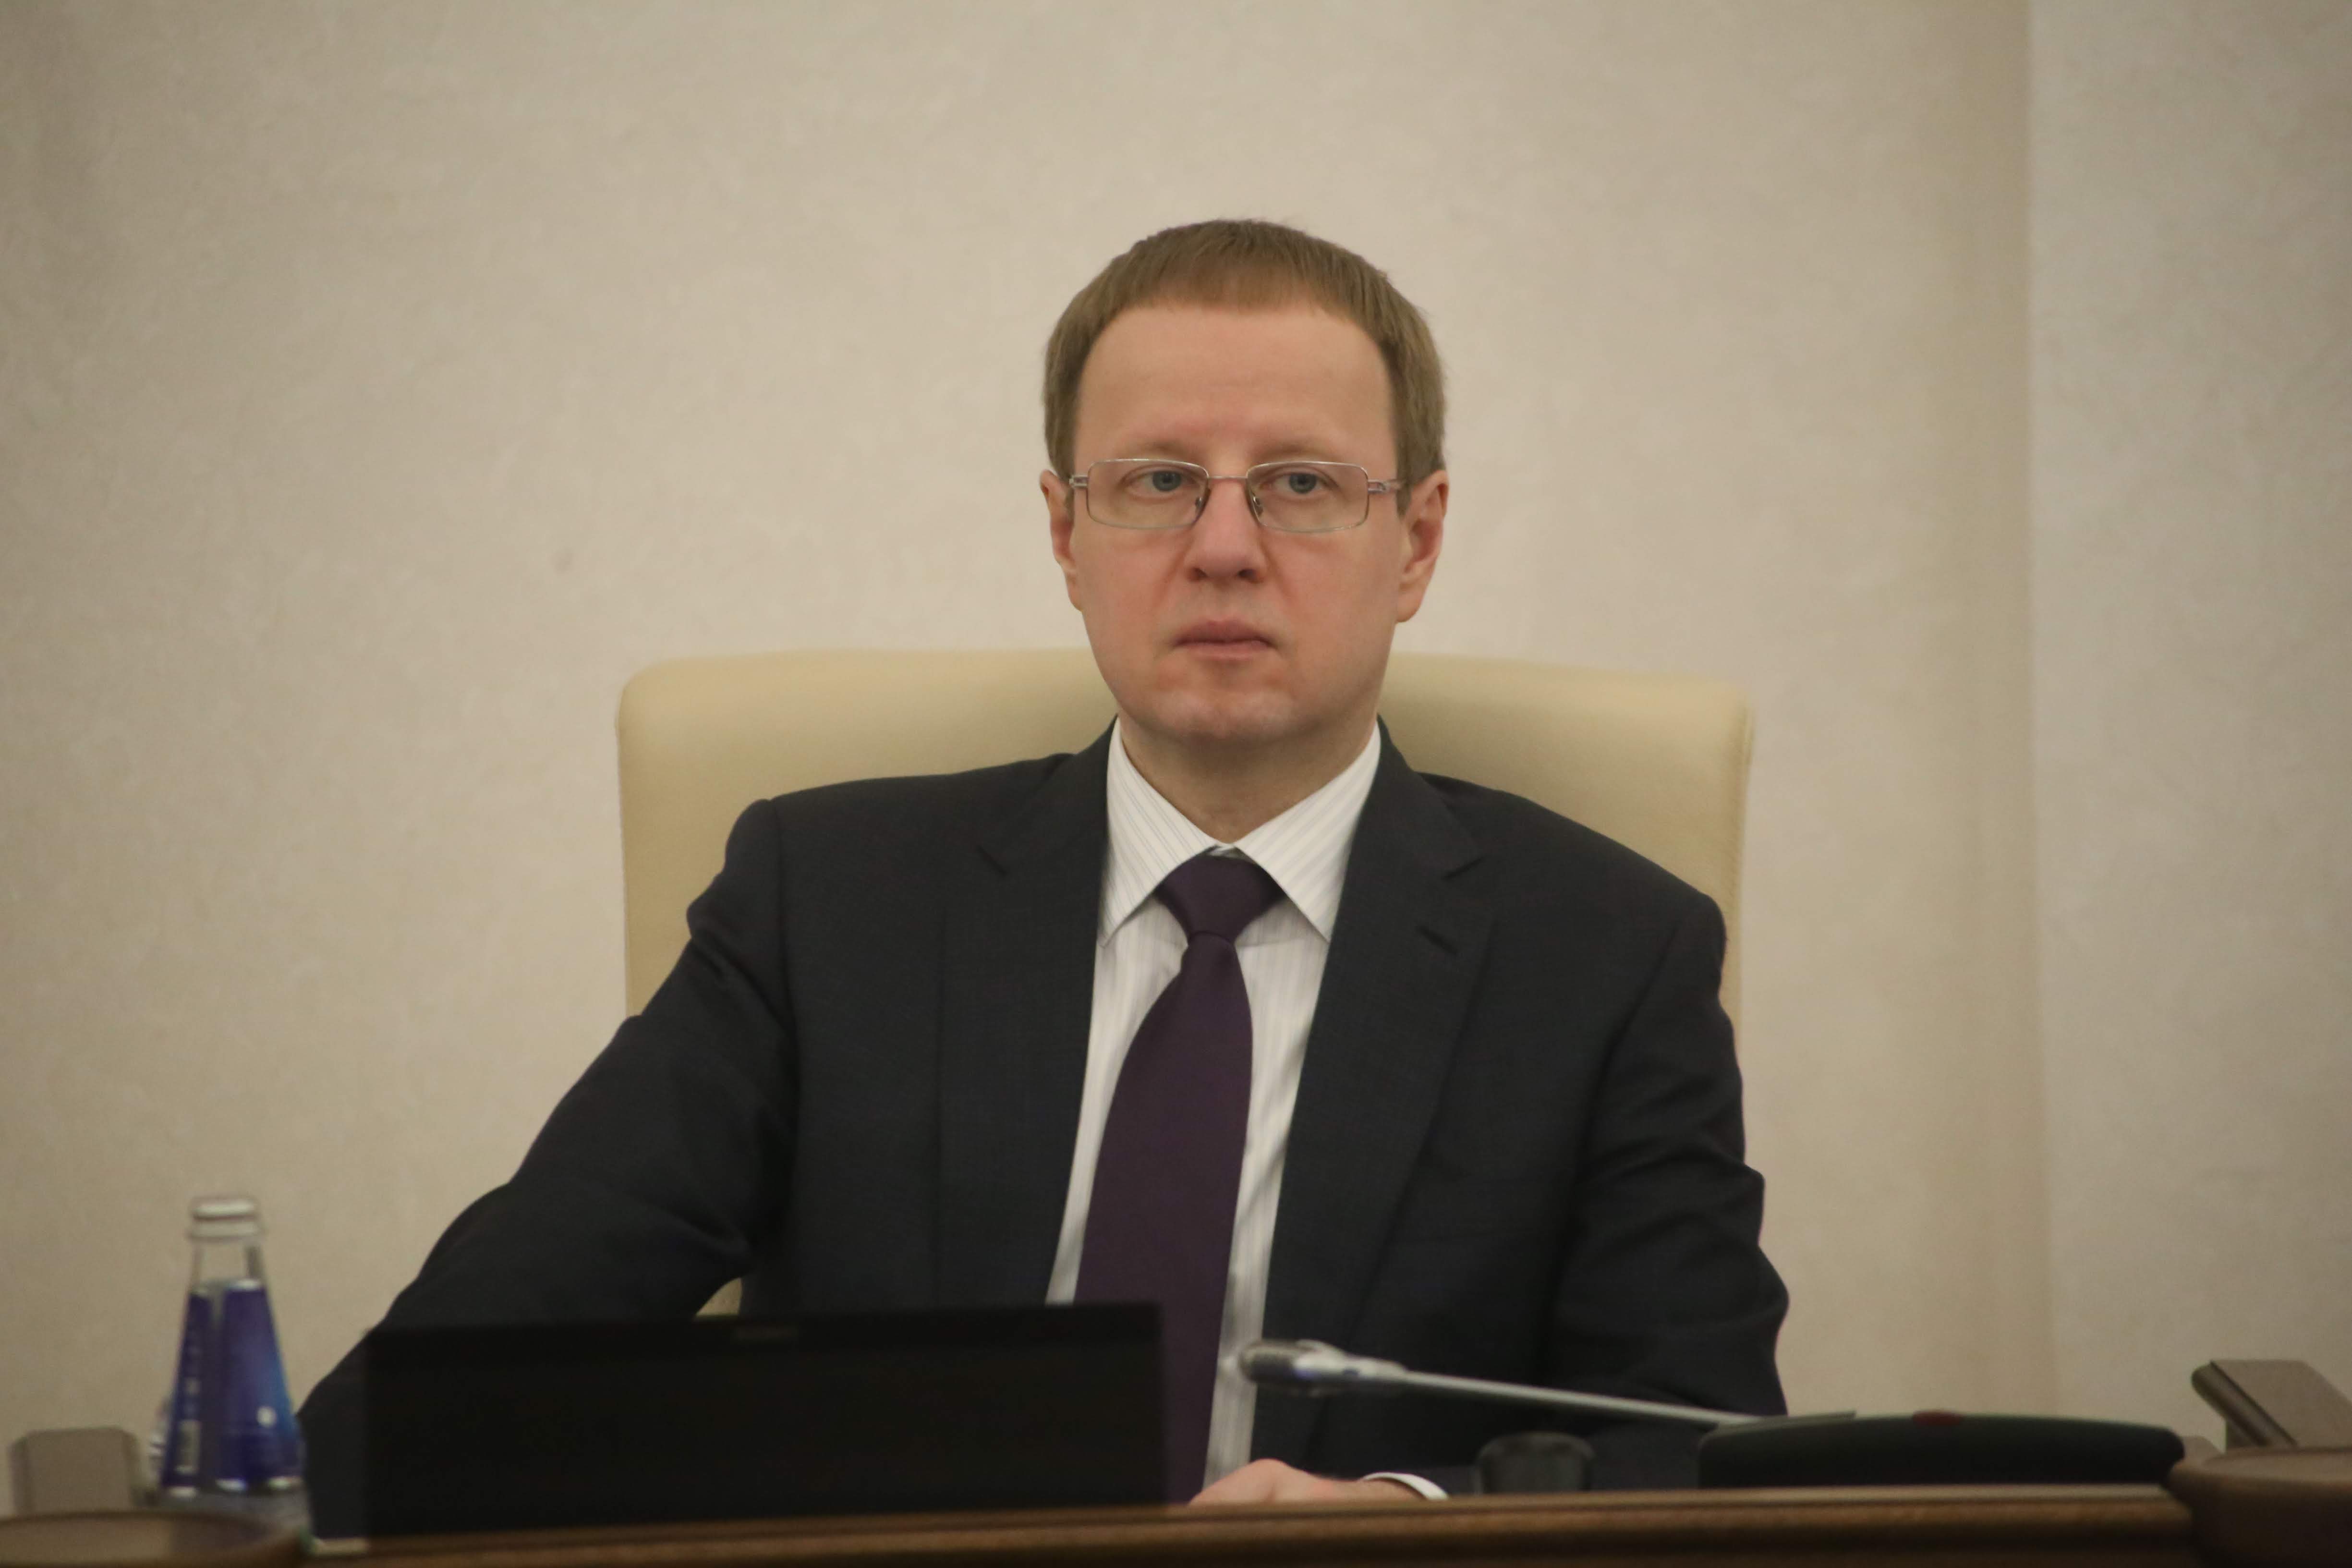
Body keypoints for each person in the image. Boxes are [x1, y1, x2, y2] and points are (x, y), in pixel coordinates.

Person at [300, 219, 1787, 1506]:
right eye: (1155, 481)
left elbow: (1701, 1443)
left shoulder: (1609, 956)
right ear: (1065, 533)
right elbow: (447, 1388)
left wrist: (1404, 1517)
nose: (1222, 544)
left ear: (1416, 542)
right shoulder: (825, 905)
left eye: (1299, 483)